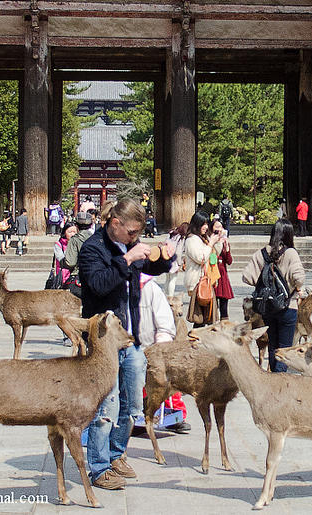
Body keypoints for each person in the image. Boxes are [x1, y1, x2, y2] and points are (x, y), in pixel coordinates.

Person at [78, 199, 174, 490]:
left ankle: (117, 454)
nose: (135, 238)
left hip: (131, 340)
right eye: (131, 232)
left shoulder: (128, 245)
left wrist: (165, 258)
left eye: (138, 233)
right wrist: (127, 259)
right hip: (104, 342)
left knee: (132, 404)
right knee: (105, 406)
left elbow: (152, 269)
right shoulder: (93, 248)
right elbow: (98, 285)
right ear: (115, 224)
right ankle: (99, 467)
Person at [242, 218, 305, 372]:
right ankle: (280, 379)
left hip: (268, 306)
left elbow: (246, 276)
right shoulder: (290, 253)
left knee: (273, 345)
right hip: (287, 306)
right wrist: (296, 288)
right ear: (289, 235)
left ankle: (273, 378)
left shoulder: (262, 253)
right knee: (285, 347)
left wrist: (264, 285)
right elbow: (299, 278)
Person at [137, 273, 190, 433]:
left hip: (155, 346)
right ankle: (139, 416)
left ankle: (176, 415)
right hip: (135, 345)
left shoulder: (150, 288)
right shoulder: (117, 285)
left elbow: (164, 322)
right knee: (138, 384)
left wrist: (162, 345)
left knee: (168, 382)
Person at [183, 211, 221, 326]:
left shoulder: (203, 238)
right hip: (198, 282)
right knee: (199, 318)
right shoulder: (192, 240)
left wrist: (217, 241)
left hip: (207, 280)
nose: (205, 227)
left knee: (207, 317)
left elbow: (215, 254)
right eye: (202, 224)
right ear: (196, 224)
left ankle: (204, 340)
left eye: (206, 224)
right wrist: (210, 244)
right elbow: (201, 258)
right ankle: (196, 340)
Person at [61, 211, 95, 298]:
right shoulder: (97, 238)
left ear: (76, 225)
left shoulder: (75, 240)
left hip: (80, 277)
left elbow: (71, 262)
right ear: (91, 225)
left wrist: (62, 262)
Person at [211, 218, 234, 320]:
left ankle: (224, 325)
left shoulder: (224, 242)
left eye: (221, 227)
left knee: (224, 304)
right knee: (212, 304)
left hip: (222, 275)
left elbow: (229, 261)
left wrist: (227, 249)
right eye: (216, 227)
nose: (219, 229)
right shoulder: (209, 241)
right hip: (212, 274)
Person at [164, 222, 188, 299]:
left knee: (167, 278)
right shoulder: (180, 238)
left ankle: (166, 295)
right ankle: (170, 296)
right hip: (174, 260)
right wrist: (179, 263)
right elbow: (179, 251)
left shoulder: (172, 233)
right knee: (173, 280)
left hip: (166, 258)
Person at [54, 221, 79, 287]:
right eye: (70, 232)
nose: (72, 234)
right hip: (63, 274)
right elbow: (61, 259)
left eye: (74, 232)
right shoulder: (59, 244)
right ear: (64, 232)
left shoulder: (78, 243)